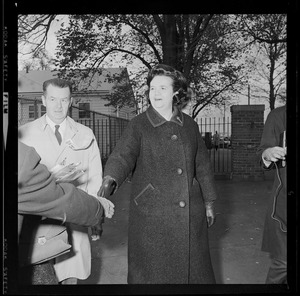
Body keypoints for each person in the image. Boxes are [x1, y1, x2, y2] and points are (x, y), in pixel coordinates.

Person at [98, 64, 217, 284]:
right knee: (153, 276)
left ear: (175, 92)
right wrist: (110, 179)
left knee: (193, 274)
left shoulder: (189, 125)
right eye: (152, 88)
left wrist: (209, 201)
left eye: (163, 88)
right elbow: (122, 157)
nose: (156, 93)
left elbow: (202, 165)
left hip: (191, 211)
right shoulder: (138, 125)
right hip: (152, 215)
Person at [18, 78, 114, 285]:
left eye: (64, 100)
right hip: (39, 224)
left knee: (71, 278)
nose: (58, 106)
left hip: (76, 219)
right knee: (41, 278)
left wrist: (96, 220)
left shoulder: (85, 134)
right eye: (53, 99)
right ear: (43, 100)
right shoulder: (24, 134)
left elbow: (95, 179)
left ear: (71, 101)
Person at [18, 141, 106, 285]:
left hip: (72, 224)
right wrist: (98, 210)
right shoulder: (23, 147)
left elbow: (95, 177)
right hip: (37, 237)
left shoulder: (85, 134)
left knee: (70, 274)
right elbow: (53, 195)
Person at [257, 105, 287, 284]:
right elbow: (263, 151)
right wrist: (268, 154)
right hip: (284, 204)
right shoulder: (278, 116)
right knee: (284, 262)